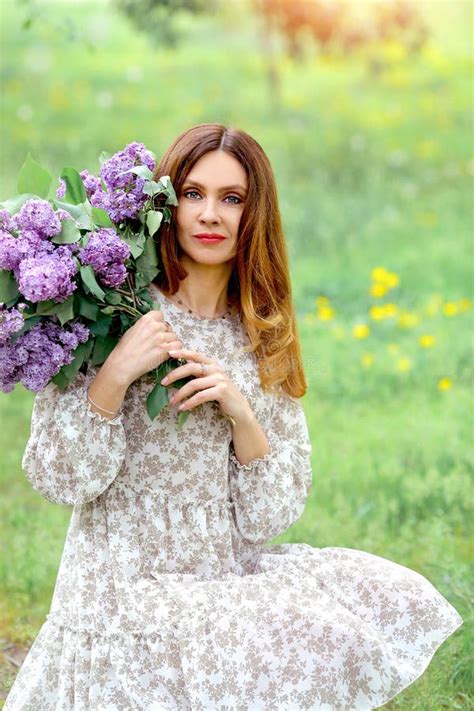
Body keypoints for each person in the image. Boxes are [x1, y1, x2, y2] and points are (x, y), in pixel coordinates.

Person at [5, 123, 463, 710]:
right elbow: (61, 480)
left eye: (232, 198)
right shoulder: (107, 316)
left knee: (356, 609)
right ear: (165, 204)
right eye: (194, 194)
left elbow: (269, 517)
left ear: (255, 214)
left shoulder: (260, 337)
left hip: (219, 573)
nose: (210, 215)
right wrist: (117, 373)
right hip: (120, 583)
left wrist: (243, 416)